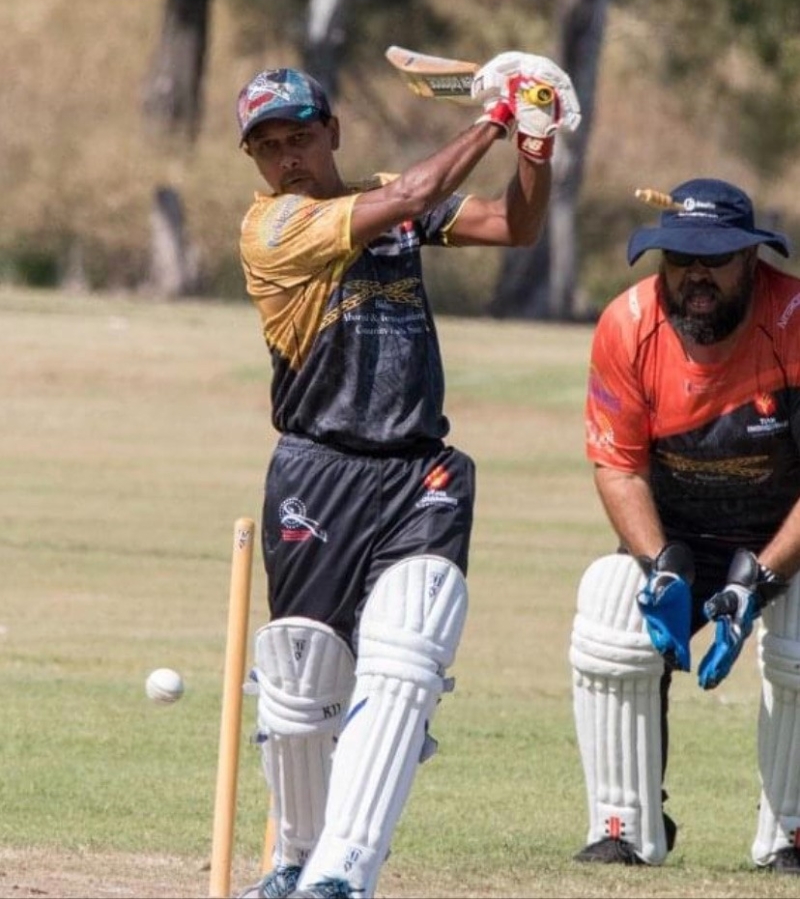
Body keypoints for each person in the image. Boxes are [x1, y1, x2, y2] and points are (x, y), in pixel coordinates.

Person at [234, 52, 580, 899]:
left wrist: (533, 147)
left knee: (406, 659)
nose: (288, 158)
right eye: (269, 146)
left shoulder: (387, 199)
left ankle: (343, 874)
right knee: (303, 679)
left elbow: (513, 227)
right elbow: (413, 197)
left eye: (301, 138)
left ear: (332, 134)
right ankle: (295, 858)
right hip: (318, 469)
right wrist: (495, 117)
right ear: (254, 160)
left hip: (418, 469)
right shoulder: (273, 228)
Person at [570, 177, 800, 872]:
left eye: (715, 259)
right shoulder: (626, 324)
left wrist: (758, 579)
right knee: (613, 601)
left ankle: (789, 832)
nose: (696, 274)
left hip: (783, 536)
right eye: (680, 259)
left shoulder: (793, 322)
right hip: (680, 532)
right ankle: (625, 826)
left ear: (753, 261)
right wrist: (661, 562)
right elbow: (617, 466)